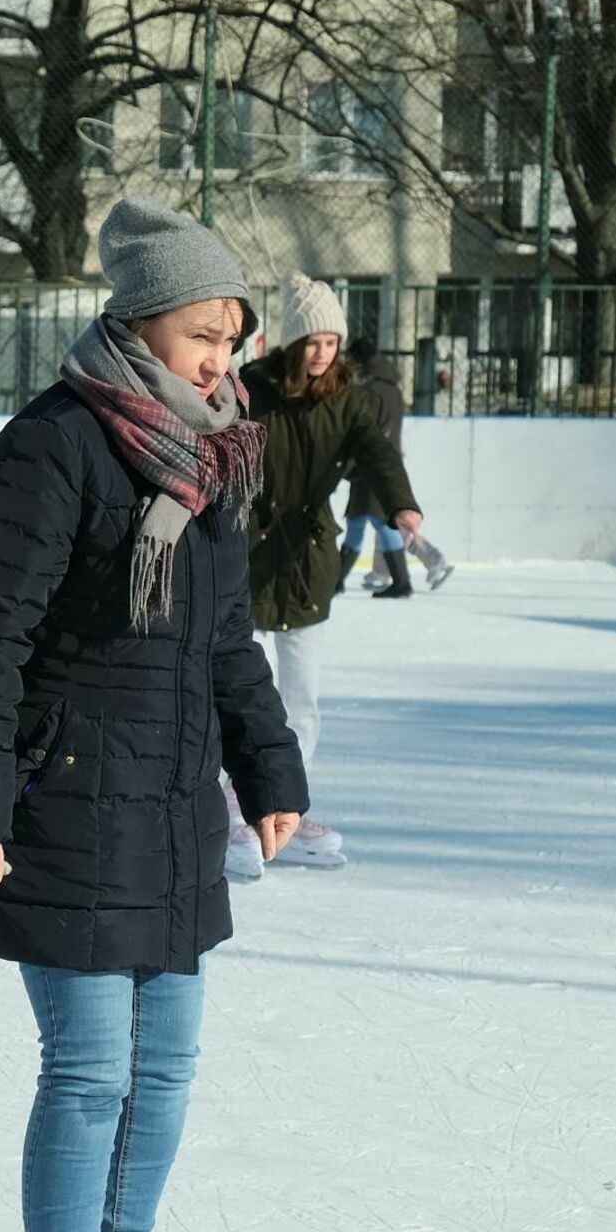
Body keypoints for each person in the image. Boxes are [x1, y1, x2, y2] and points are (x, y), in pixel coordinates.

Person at [0, 195, 308, 1232]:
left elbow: (226, 644)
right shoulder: (53, 449)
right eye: (206, 334)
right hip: (66, 802)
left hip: (175, 805)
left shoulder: (212, 456)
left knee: (169, 1067)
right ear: (141, 323)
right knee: (90, 1073)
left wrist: (269, 766)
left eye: (233, 338)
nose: (223, 360)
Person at [229, 275, 423, 877]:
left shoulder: (350, 400)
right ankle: (233, 812)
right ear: (292, 341)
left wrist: (401, 504)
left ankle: (284, 805)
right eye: (313, 339)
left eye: (332, 341)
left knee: (300, 697)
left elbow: (379, 454)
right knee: (233, 692)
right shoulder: (253, 390)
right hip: (243, 555)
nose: (322, 352)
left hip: (308, 561)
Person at [342, 336, 455, 595]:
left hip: (372, 463)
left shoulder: (370, 390)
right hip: (387, 460)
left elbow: (365, 429)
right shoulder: (391, 388)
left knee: (382, 521)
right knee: (378, 519)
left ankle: (425, 566)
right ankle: (382, 574)